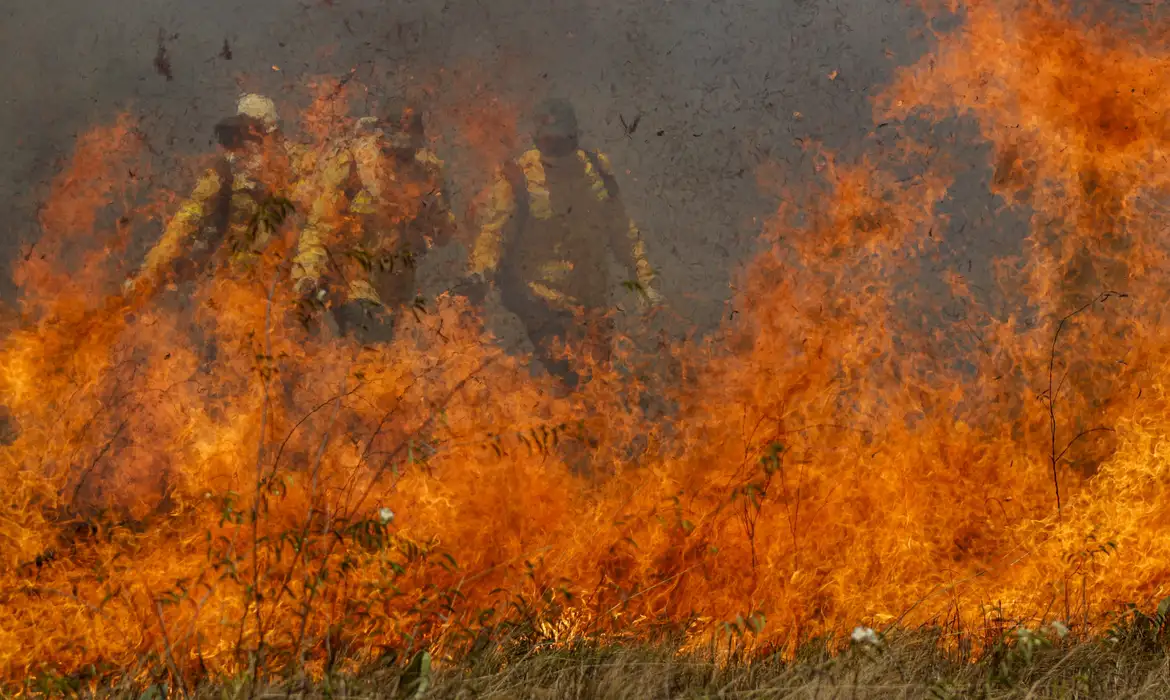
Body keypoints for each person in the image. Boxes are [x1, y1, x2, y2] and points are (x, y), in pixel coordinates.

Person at [463, 97, 663, 387]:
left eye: (560, 140)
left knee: (595, 395)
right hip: (540, 308)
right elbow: (494, 234)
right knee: (560, 391)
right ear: (536, 138)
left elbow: (623, 232)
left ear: (575, 136)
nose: (554, 147)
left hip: (592, 310)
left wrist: (646, 280)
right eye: (547, 140)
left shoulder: (597, 170)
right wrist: (482, 269)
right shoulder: (517, 177)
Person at [291, 108, 456, 344]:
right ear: (382, 138)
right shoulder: (353, 167)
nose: (401, 158)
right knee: (372, 335)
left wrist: (432, 208)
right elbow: (319, 228)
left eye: (409, 150)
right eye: (397, 149)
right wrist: (308, 273)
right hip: (353, 281)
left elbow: (442, 235)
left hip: (397, 289)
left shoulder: (425, 174)